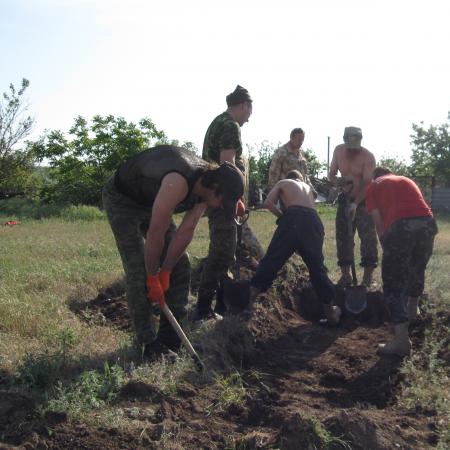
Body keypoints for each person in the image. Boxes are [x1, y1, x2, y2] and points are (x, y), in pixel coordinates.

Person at [102, 145, 245, 359]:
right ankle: (148, 345)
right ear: (215, 187)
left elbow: (185, 231)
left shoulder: (205, 191)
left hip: (152, 201)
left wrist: (166, 270)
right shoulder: (178, 182)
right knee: (138, 270)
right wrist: (152, 277)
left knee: (180, 264)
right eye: (221, 201)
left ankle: (170, 340)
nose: (218, 207)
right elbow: (155, 233)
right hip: (123, 200)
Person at [195, 85, 264, 321]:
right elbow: (227, 167)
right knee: (221, 251)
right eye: (250, 111)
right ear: (243, 106)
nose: (249, 117)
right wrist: (234, 200)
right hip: (223, 199)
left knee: (227, 251)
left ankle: (221, 306)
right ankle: (203, 308)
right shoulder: (229, 125)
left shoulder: (221, 123)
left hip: (223, 198)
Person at [248, 170, 341, 325]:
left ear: (289, 178)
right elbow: (311, 204)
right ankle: (331, 313)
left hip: (292, 219)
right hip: (313, 221)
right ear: (301, 179)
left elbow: (268, 203)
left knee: (272, 261)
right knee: (317, 267)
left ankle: (248, 305)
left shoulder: (283, 182)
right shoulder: (308, 188)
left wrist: (283, 217)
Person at [365, 167, 438, 356]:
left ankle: (401, 341)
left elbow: (378, 221)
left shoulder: (373, 185)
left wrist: (385, 244)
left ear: (376, 176)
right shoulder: (406, 179)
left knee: (392, 282)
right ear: (390, 173)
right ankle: (413, 312)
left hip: (401, 226)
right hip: (428, 223)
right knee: (417, 268)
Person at [329, 126, 378, 287]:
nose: (352, 151)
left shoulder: (368, 157)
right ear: (344, 140)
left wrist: (356, 203)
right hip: (345, 198)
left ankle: (367, 278)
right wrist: (337, 181)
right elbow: (332, 174)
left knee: (368, 238)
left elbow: (366, 183)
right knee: (343, 237)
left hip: (364, 201)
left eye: (355, 146)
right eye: (350, 147)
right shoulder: (338, 151)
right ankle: (346, 276)